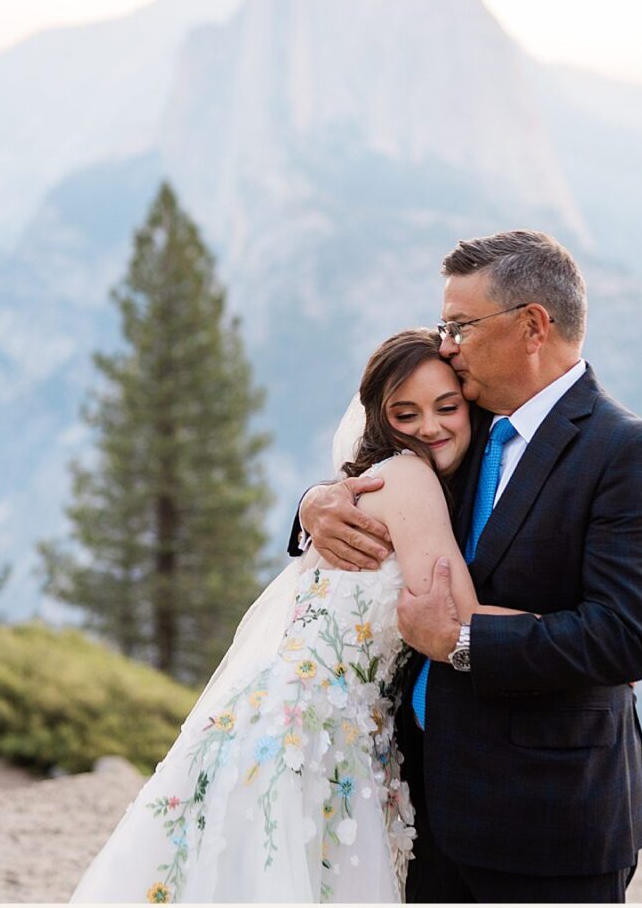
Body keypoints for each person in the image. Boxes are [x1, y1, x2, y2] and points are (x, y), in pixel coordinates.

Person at [70, 329, 524, 903]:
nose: (429, 427)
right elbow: (460, 613)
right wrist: (588, 634)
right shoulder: (409, 478)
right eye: (405, 413)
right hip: (311, 733)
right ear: (379, 420)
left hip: (315, 724)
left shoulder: (380, 481)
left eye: (446, 407)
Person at [295, 229, 642, 903]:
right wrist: (314, 506)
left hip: (548, 820)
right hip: (422, 804)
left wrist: (463, 641)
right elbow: (378, 470)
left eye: (461, 326)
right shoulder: (457, 421)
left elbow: (624, 636)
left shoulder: (625, 452)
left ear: (532, 326)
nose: (445, 345)